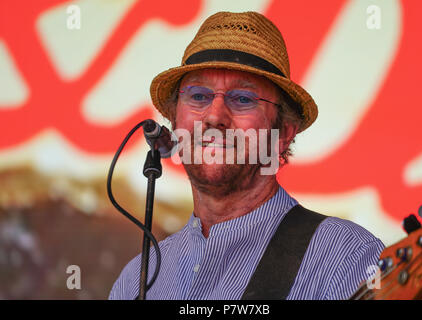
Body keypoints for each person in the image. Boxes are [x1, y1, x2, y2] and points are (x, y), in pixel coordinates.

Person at [109, 11, 384, 300]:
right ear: (175, 123)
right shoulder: (135, 282)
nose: (214, 115)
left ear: (284, 133)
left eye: (243, 99)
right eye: (199, 95)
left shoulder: (347, 258)